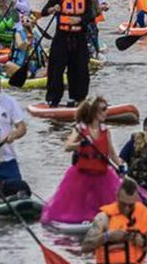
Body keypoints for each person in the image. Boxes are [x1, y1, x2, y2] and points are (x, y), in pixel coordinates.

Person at [41, 96, 121, 225]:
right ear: (94, 111)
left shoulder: (106, 131)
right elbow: (67, 146)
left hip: (102, 176)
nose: (106, 112)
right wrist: (80, 144)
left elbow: (112, 154)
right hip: (82, 176)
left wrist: (121, 166)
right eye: (103, 109)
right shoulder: (81, 129)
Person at [41, 0, 99, 107]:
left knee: (80, 69)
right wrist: (52, 9)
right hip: (62, 36)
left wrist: (79, 19)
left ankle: (78, 98)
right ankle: (53, 99)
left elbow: (91, 15)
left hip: (79, 37)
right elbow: (44, 11)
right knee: (56, 69)